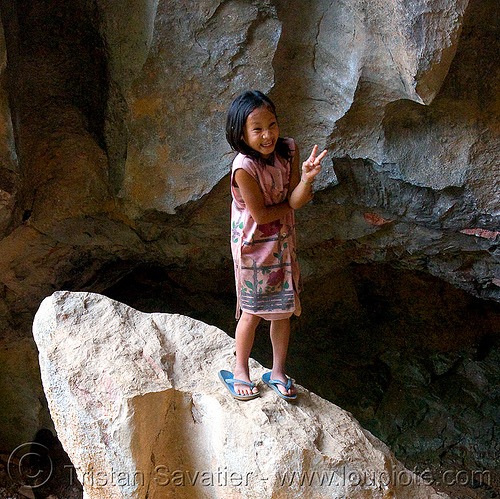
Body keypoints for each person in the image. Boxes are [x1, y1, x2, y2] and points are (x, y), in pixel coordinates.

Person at [218, 90, 327, 402]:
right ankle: (240, 370)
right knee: (251, 312)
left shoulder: (288, 151)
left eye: (272, 124)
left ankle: (277, 371)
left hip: (282, 242)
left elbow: (296, 199)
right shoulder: (243, 168)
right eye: (257, 129)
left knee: (283, 311)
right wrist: (294, 202)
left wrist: (306, 179)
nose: (267, 135)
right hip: (253, 247)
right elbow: (263, 214)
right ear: (241, 133)